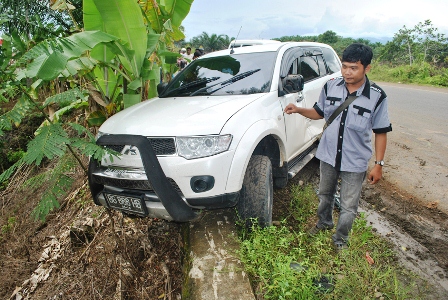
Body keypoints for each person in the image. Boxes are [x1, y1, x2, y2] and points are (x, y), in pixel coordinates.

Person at [284, 43, 392, 252]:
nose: (347, 72)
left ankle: (340, 240)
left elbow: (381, 132)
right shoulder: (331, 85)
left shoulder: (377, 96)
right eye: (344, 67)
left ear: (367, 68)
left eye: (354, 68)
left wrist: (378, 164)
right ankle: (323, 223)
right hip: (328, 154)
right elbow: (319, 112)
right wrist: (298, 109)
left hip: (356, 160)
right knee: (325, 194)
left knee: (349, 205)